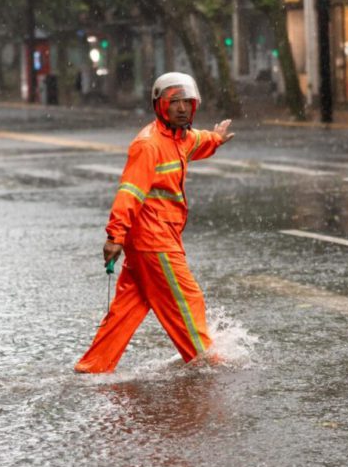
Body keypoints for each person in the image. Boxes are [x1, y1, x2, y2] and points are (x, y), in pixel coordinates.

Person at [75, 72, 235, 374]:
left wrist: (215, 139)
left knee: (128, 307)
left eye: (187, 102)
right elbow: (129, 192)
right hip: (154, 241)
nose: (182, 108)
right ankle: (206, 363)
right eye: (174, 102)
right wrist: (115, 235)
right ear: (159, 106)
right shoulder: (148, 145)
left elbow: (194, 142)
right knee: (186, 300)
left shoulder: (177, 138)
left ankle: (93, 366)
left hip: (153, 240)